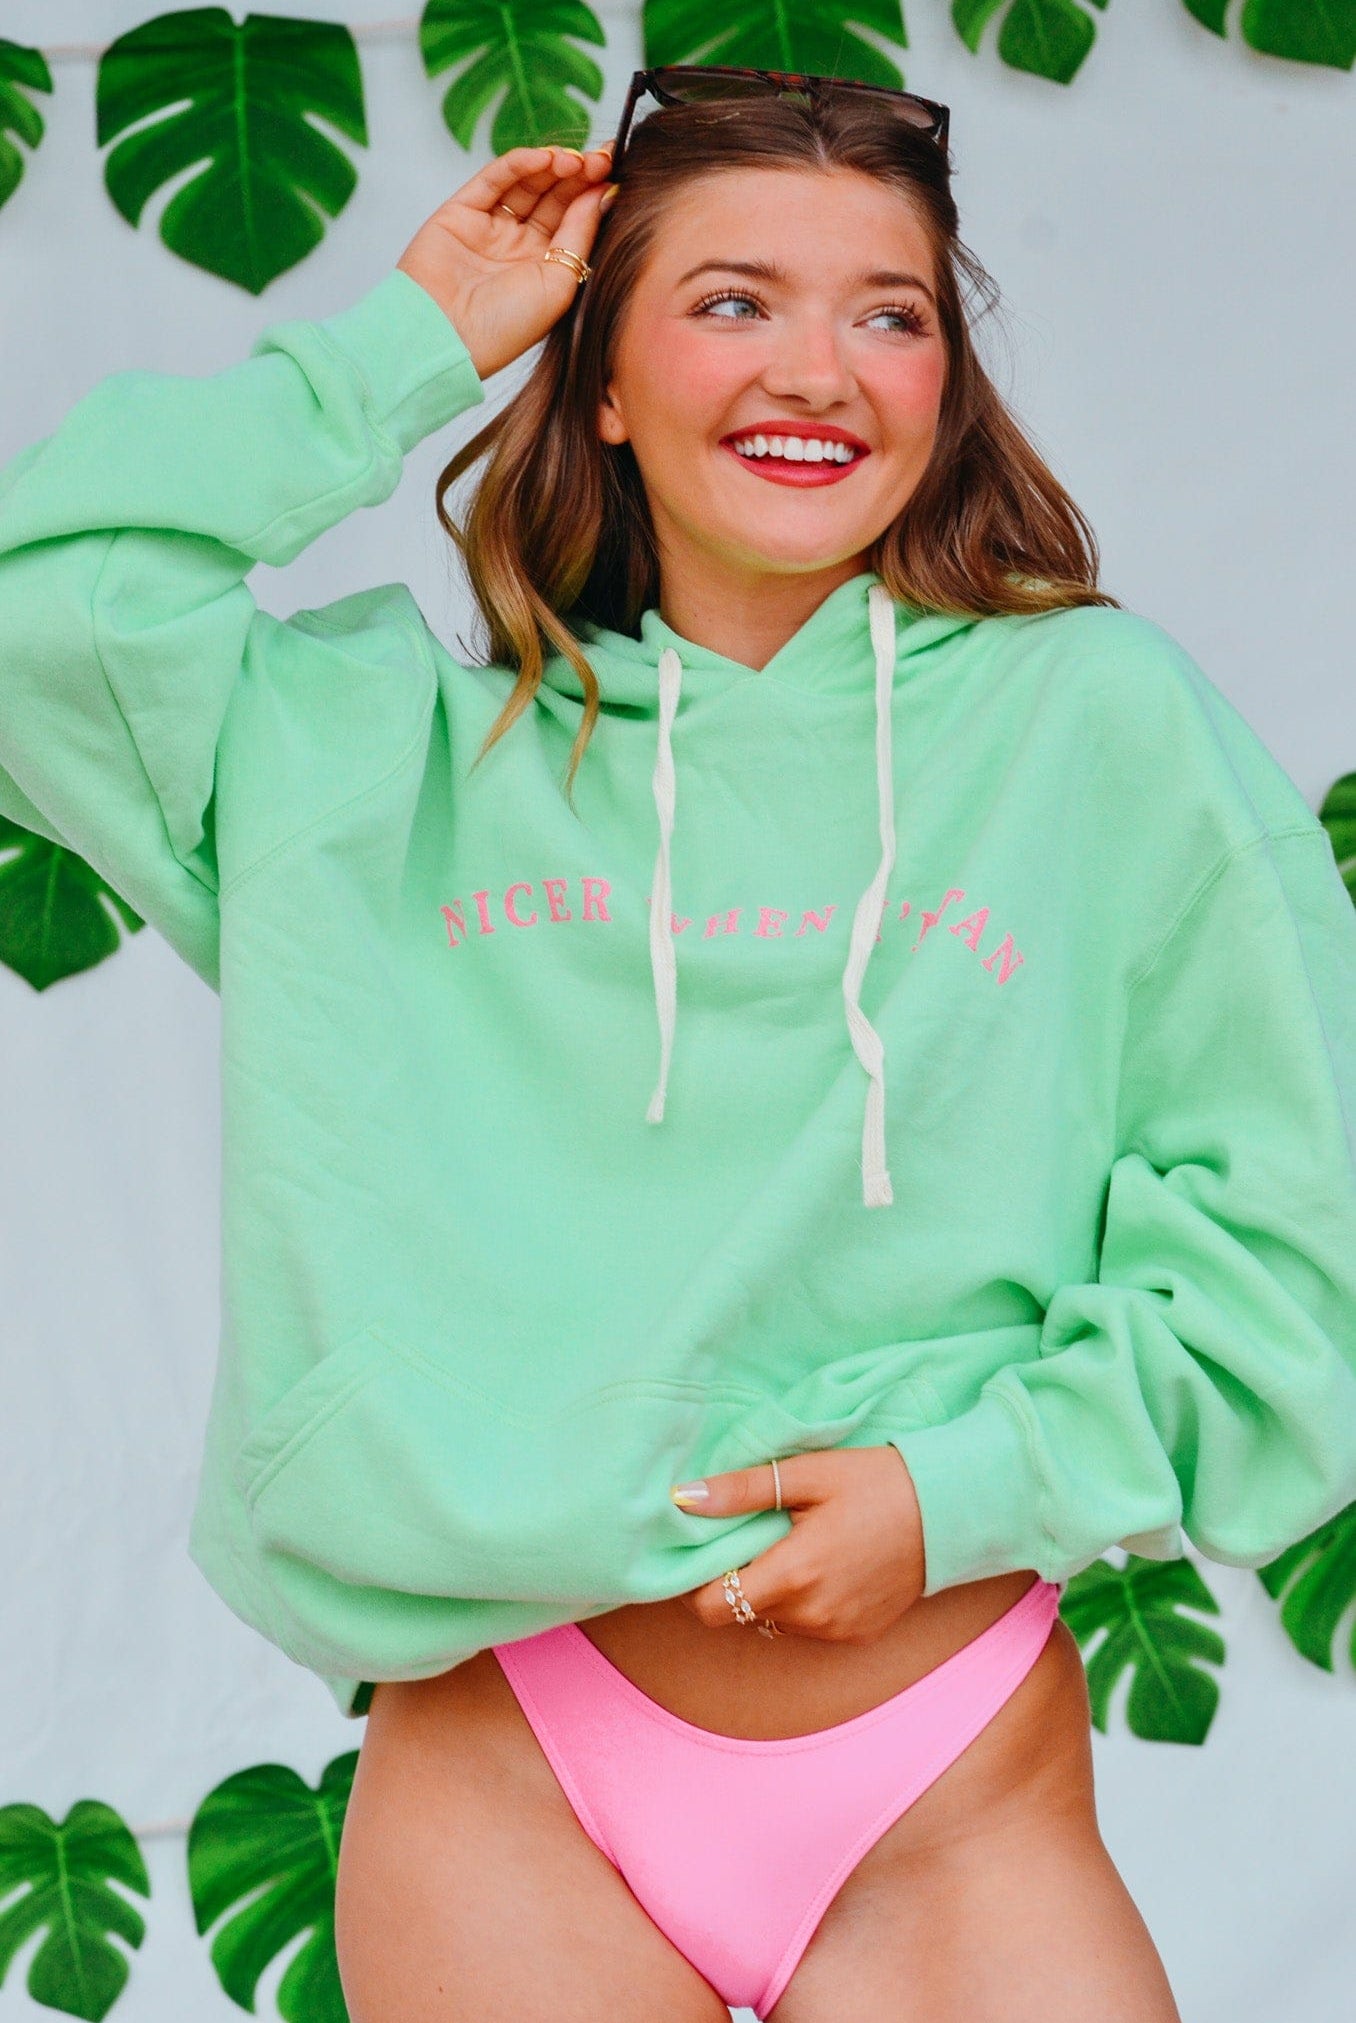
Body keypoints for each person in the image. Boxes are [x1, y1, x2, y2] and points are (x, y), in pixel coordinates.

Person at [3, 69, 1356, 2023]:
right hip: (513, 1770)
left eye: (890, 312)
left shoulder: (1096, 726)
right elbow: (44, 597)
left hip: (945, 1789)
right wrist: (406, 342)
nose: (820, 367)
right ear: (604, 380)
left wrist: (968, 1489)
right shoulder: (384, 762)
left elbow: (1297, 1245)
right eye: (732, 301)